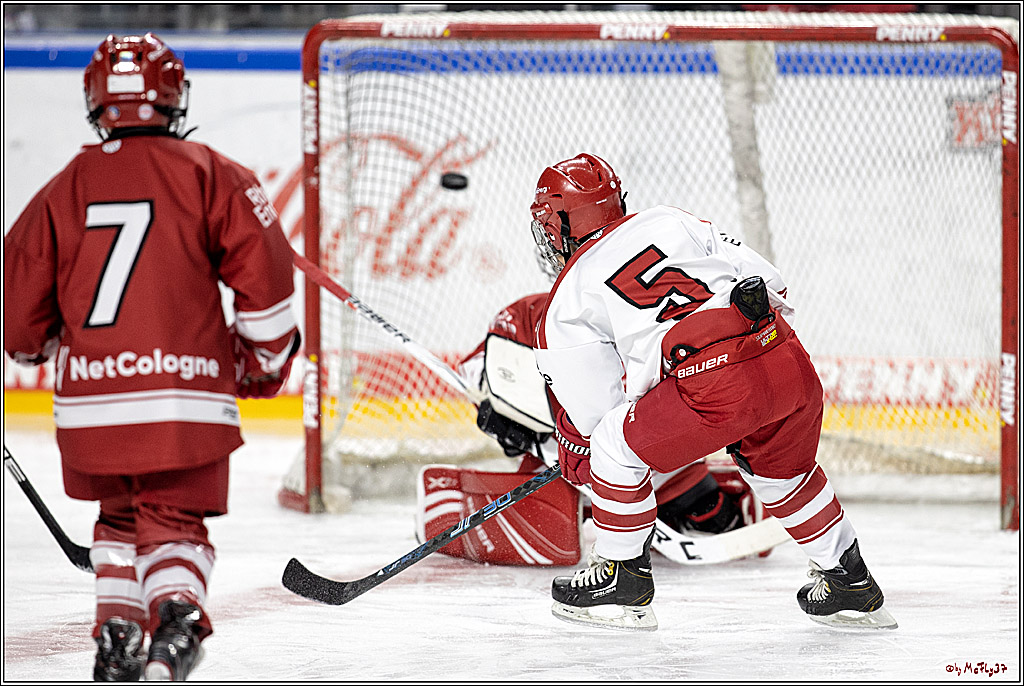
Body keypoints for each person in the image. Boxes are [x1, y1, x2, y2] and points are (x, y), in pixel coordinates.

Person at [3, 33, 300, 680]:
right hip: (183, 399)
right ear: (173, 96)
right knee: (172, 522)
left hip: (90, 406)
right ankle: (177, 618)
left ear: (96, 102)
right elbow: (268, 280)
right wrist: (264, 362)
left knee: (117, 519)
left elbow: (20, 315)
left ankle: (117, 637)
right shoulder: (212, 173)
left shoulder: (63, 186)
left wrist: (38, 346)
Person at [529, 153, 897, 632]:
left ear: (558, 224)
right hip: (786, 359)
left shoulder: (566, 299)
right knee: (783, 474)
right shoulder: (669, 219)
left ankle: (620, 579)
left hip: (711, 384)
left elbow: (597, 418)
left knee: (613, 445)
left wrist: (583, 451)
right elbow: (770, 282)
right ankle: (849, 581)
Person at [417, 292, 770, 567]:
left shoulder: (628, 321)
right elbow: (478, 374)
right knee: (555, 507)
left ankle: (704, 500)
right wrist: (505, 420)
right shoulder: (529, 317)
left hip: (642, 448)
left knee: (707, 509)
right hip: (567, 456)